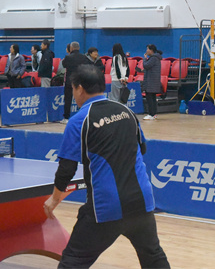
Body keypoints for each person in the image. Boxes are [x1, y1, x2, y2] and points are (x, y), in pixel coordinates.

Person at [43, 65, 170, 268]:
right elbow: (142, 148)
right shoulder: (127, 112)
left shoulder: (79, 121)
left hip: (106, 208)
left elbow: (66, 169)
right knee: (153, 257)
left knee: (73, 262)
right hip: (142, 202)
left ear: (80, 89)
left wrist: (54, 198)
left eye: (73, 89)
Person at [61, 41, 92, 123]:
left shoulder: (68, 57)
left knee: (68, 99)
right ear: (79, 48)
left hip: (69, 81)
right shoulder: (84, 57)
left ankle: (66, 118)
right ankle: (83, 116)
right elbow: (90, 65)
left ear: (71, 48)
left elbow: (63, 65)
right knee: (81, 99)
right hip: (80, 81)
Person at [141, 44, 163, 120]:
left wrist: (144, 59)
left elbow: (146, 65)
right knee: (153, 98)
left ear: (151, 50)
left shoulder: (153, 58)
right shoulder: (155, 58)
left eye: (147, 49)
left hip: (151, 82)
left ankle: (151, 114)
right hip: (153, 81)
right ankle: (154, 114)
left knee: (150, 98)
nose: (146, 51)